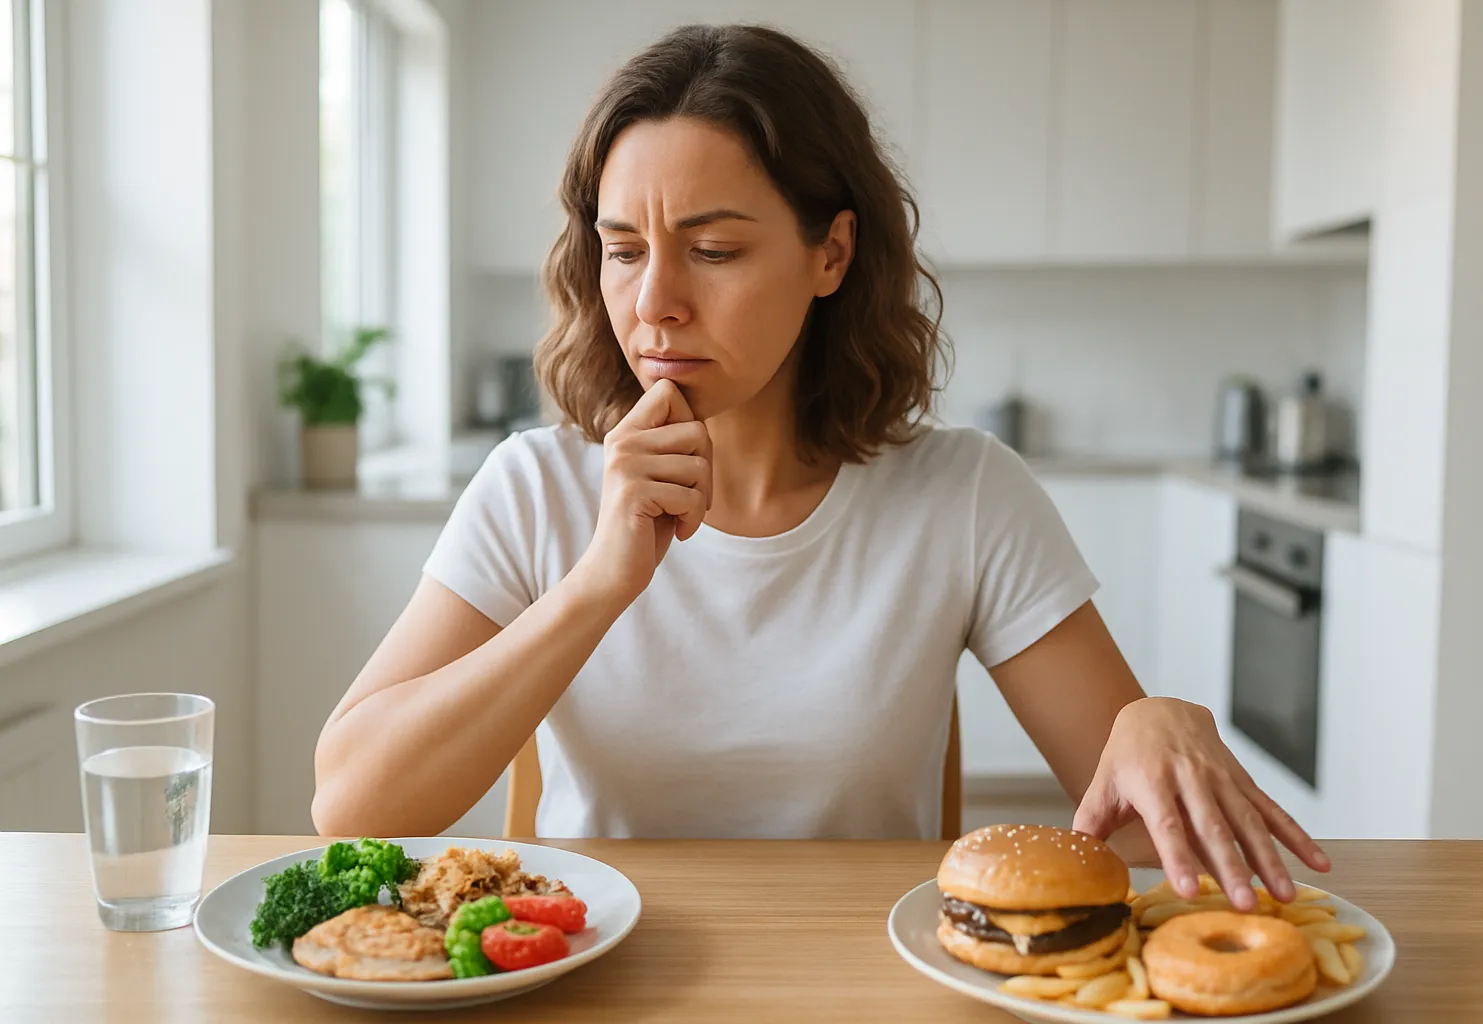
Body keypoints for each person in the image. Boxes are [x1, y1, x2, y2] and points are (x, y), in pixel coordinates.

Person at [313, 23, 1329, 909]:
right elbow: (350, 805)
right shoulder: (535, 487)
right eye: (624, 250)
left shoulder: (967, 496)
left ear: (832, 254)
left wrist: (1159, 724)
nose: (655, 301)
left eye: (712, 252)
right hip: (594, 982)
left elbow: (1147, 839)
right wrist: (596, 585)